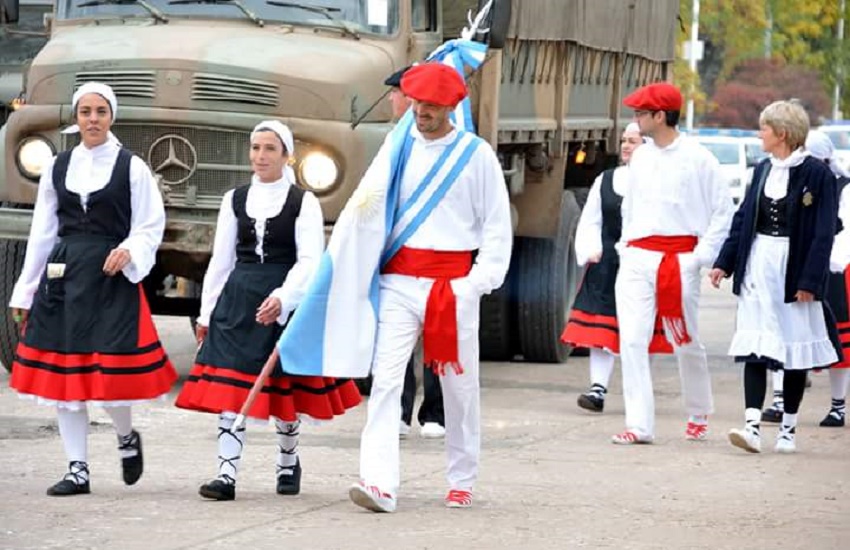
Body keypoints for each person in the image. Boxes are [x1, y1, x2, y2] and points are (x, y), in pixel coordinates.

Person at [345, 62, 512, 512]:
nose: (422, 111)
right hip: (398, 281)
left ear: (452, 106)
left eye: (432, 105)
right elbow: (367, 209)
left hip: (453, 287)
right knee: (384, 380)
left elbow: (498, 228)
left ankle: (462, 477)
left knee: (460, 388)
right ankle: (379, 482)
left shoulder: (476, 156)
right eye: (417, 102)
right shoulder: (396, 147)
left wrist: (476, 284)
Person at [175, 121, 362, 500]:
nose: (260, 156)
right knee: (231, 389)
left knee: (282, 391)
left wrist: (283, 298)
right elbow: (221, 261)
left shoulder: (302, 202)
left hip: (283, 298)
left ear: (285, 155)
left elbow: (310, 259)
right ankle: (226, 475)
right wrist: (207, 314)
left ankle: (288, 460)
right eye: (256, 148)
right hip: (238, 300)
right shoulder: (235, 199)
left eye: (269, 149)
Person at [7, 82, 177, 496]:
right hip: (64, 277)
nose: (93, 119)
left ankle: (125, 437)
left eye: (100, 111)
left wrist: (130, 250)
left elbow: (151, 224)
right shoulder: (58, 166)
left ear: (111, 116)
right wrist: (24, 290)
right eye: (86, 111)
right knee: (67, 380)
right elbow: (43, 231)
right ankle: (77, 469)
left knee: (111, 376)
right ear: (77, 118)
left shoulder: (131, 166)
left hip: (111, 277)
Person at [710, 101, 839, 454]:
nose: (759, 134)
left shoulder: (817, 174)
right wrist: (725, 262)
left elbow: (823, 232)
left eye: (764, 128)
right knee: (754, 344)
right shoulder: (763, 169)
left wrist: (810, 282)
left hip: (793, 267)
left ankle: (788, 431)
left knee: (794, 349)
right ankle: (751, 426)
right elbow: (743, 219)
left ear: (782, 133)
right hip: (758, 263)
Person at [612, 82, 734, 445]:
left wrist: (700, 257)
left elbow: (722, 211)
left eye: (640, 114)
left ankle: (698, 410)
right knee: (632, 339)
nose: (635, 120)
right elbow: (629, 206)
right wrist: (625, 247)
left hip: (679, 258)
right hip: (637, 256)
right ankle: (640, 424)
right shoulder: (642, 157)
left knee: (686, 339)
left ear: (660, 116)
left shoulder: (699, 158)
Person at [561, 123, 672, 413]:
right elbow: (591, 219)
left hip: (644, 260)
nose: (625, 146)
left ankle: (639, 386)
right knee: (601, 328)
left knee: (640, 327)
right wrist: (589, 249)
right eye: (623, 140)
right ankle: (598, 389)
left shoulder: (659, 181)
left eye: (632, 141)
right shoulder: (606, 179)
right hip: (608, 261)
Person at [385, 65, 446, 439]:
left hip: (435, 255)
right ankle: (400, 410)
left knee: (438, 336)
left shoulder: (446, 147)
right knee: (396, 343)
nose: (392, 99)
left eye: (396, 92)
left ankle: (436, 412)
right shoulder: (394, 140)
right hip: (398, 256)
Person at [804, 129, 850, 428]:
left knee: (841, 341)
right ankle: (782, 399)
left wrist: (833, 261)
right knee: (788, 335)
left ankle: (838, 405)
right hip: (802, 267)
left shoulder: (843, 187)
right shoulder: (794, 181)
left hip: (834, 268)